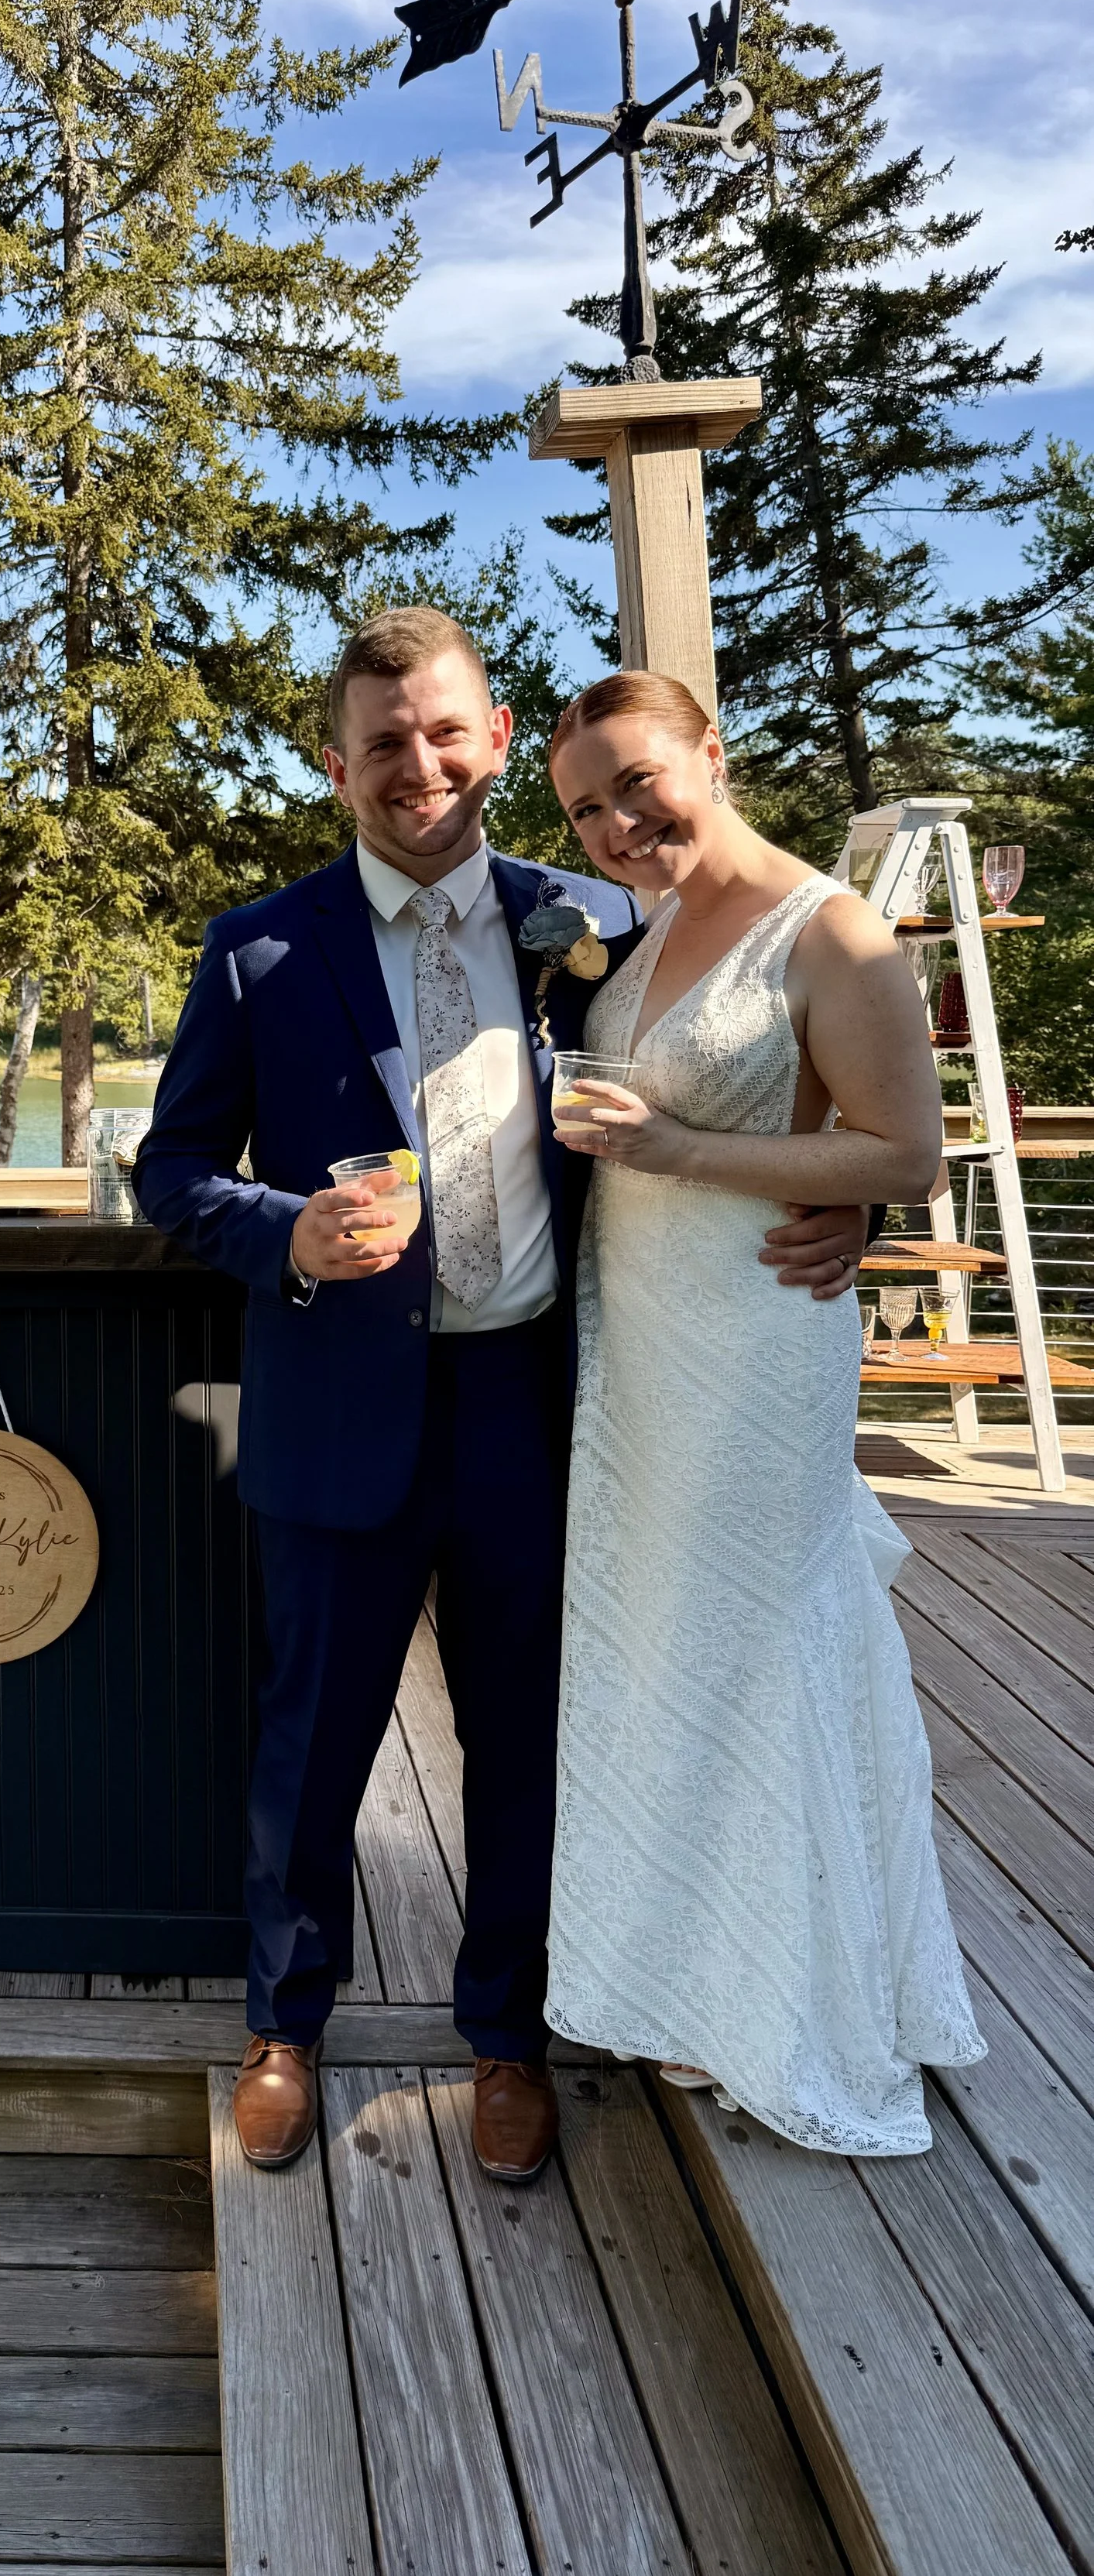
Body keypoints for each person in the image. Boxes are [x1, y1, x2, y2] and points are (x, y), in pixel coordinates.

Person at [132, 609, 876, 2178]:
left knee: (526, 1739)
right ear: (335, 765)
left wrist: (845, 1197)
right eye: (384, 741)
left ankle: (506, 2033)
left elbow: (745, 1059)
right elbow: (172, 1172)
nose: (419, 764)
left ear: (492, 735)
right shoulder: (258, 949)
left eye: (446, 731)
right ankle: (282, 2022)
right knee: (306, 1743)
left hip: (538, 1408)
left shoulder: (599, 918)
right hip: (334, 1406)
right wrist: (289, 1234)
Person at [542, 671, 984, 2153]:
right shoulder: (643, 924)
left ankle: (795, 2009)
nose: (615, 822)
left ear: (710, 756)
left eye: (636, 784)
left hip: (754, 1342)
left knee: (759, 1645)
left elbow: (908, 1155)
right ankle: (686, 1984)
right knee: (665, 1649)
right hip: (640, 1346)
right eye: (586, 807)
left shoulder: (836, 929)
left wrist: (673, 1146)